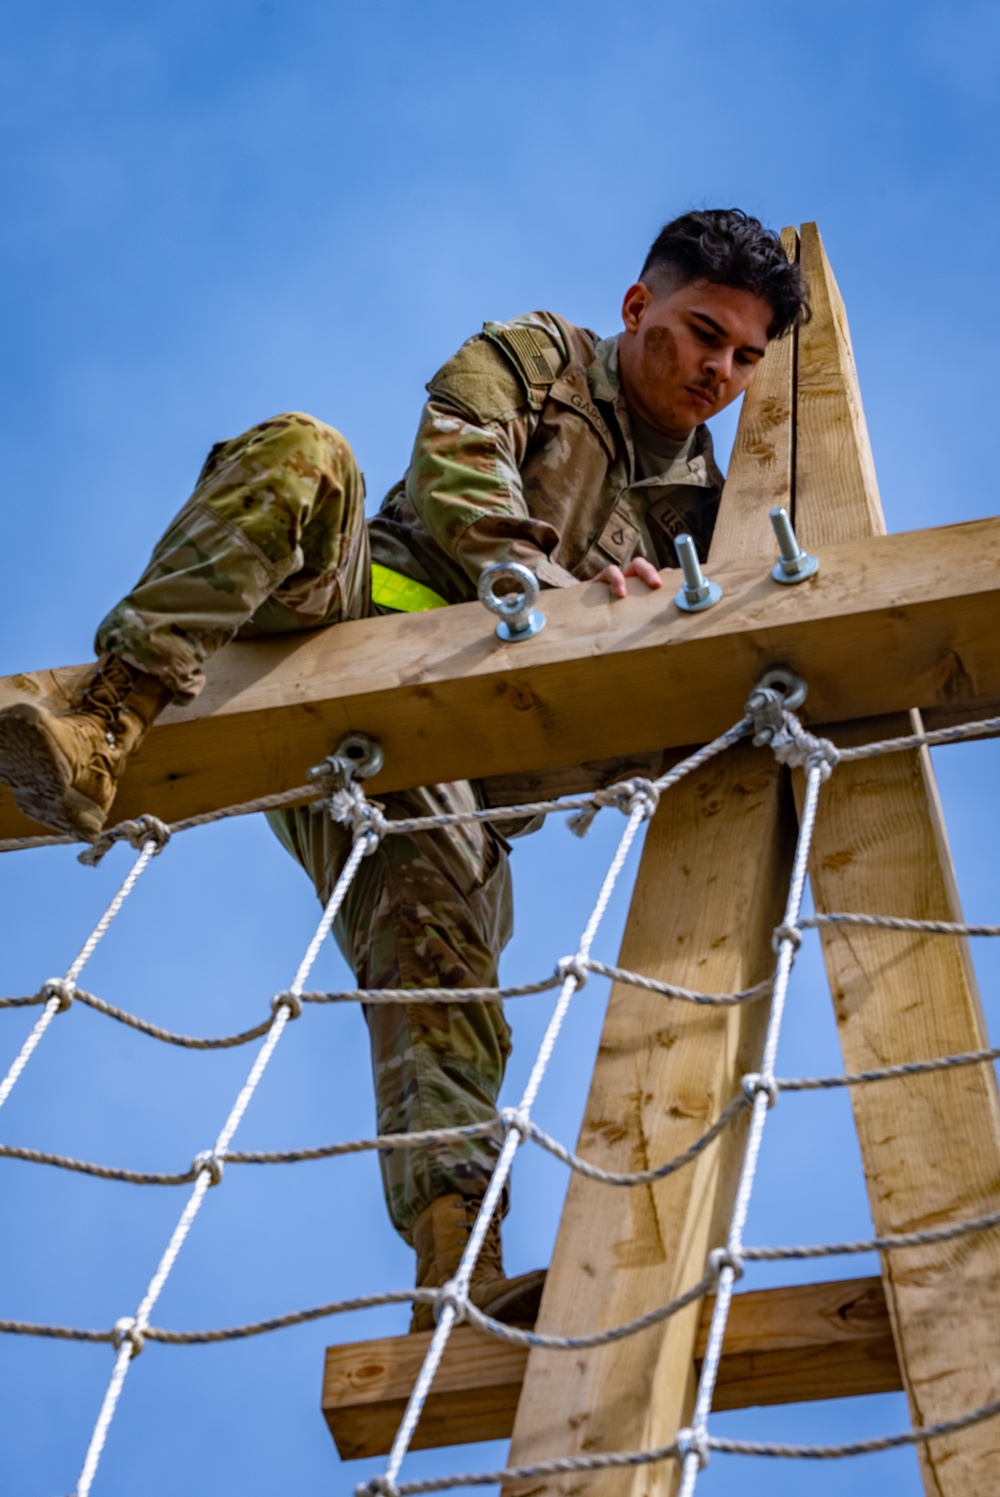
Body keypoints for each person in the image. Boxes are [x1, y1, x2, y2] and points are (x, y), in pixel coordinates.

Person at [0, 209, 808, 1331]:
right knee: (300, 448)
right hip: (348, 620)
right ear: (638, 310)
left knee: (441, 968)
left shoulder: (713, 516)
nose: (716, 371)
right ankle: (106, 720)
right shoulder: (541, 359)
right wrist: (542, 587)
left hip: (456, 771)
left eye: (742, 358)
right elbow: (457, 457)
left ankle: (456, 1273)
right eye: (700, 333)